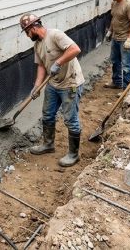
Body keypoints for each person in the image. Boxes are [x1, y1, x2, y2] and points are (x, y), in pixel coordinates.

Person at [20, 13, 85, 167]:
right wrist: (36, 86)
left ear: (33, 28)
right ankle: (48, 144)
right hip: (53, 84)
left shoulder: (55, 35)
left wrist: (59, 62)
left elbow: (75, 49)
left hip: (70, 83)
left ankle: (73, 155)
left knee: (70, 119)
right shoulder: (37, 45)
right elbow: (41, 66)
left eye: (27, 32)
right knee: (48, 114)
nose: (27, 36)